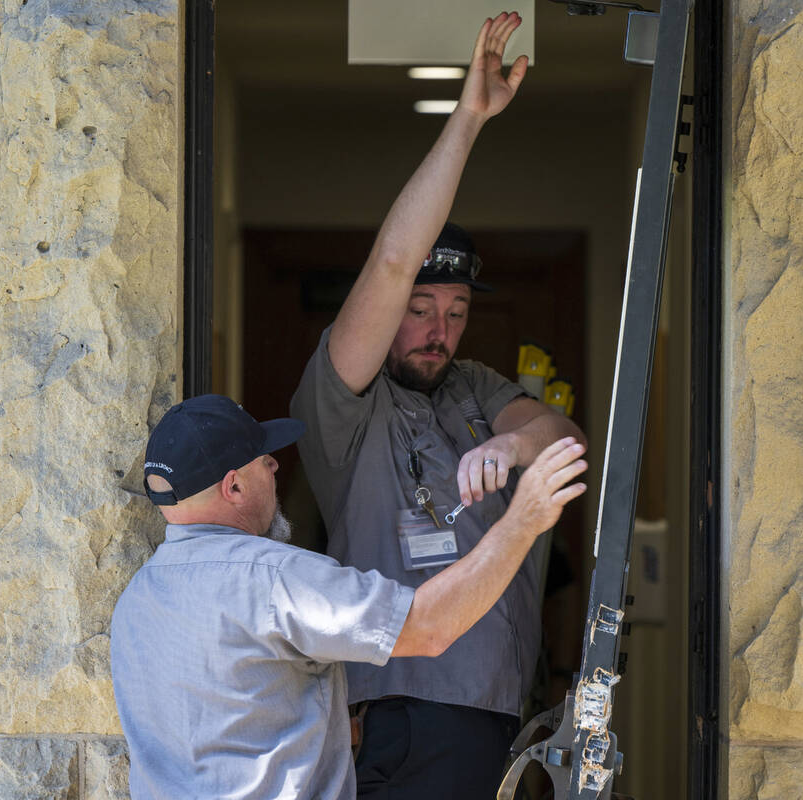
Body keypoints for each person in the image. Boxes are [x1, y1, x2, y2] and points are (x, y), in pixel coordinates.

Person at [288, 11, 589, 798]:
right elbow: (391, 263)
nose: (437, 332)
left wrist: (513, 448)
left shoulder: (475, 386)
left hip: (494, 709)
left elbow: (558, 434)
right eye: (421, 309)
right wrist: (469, 120)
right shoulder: (345, 400)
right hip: (407, 707)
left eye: (455, 313)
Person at [110, 394, 586, 799]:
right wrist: (523, 520)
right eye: (263, 458)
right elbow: (427, 626)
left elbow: (227, 718)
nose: (276, 463)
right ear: (233, 485)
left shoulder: (135, 600)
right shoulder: (275, 578)